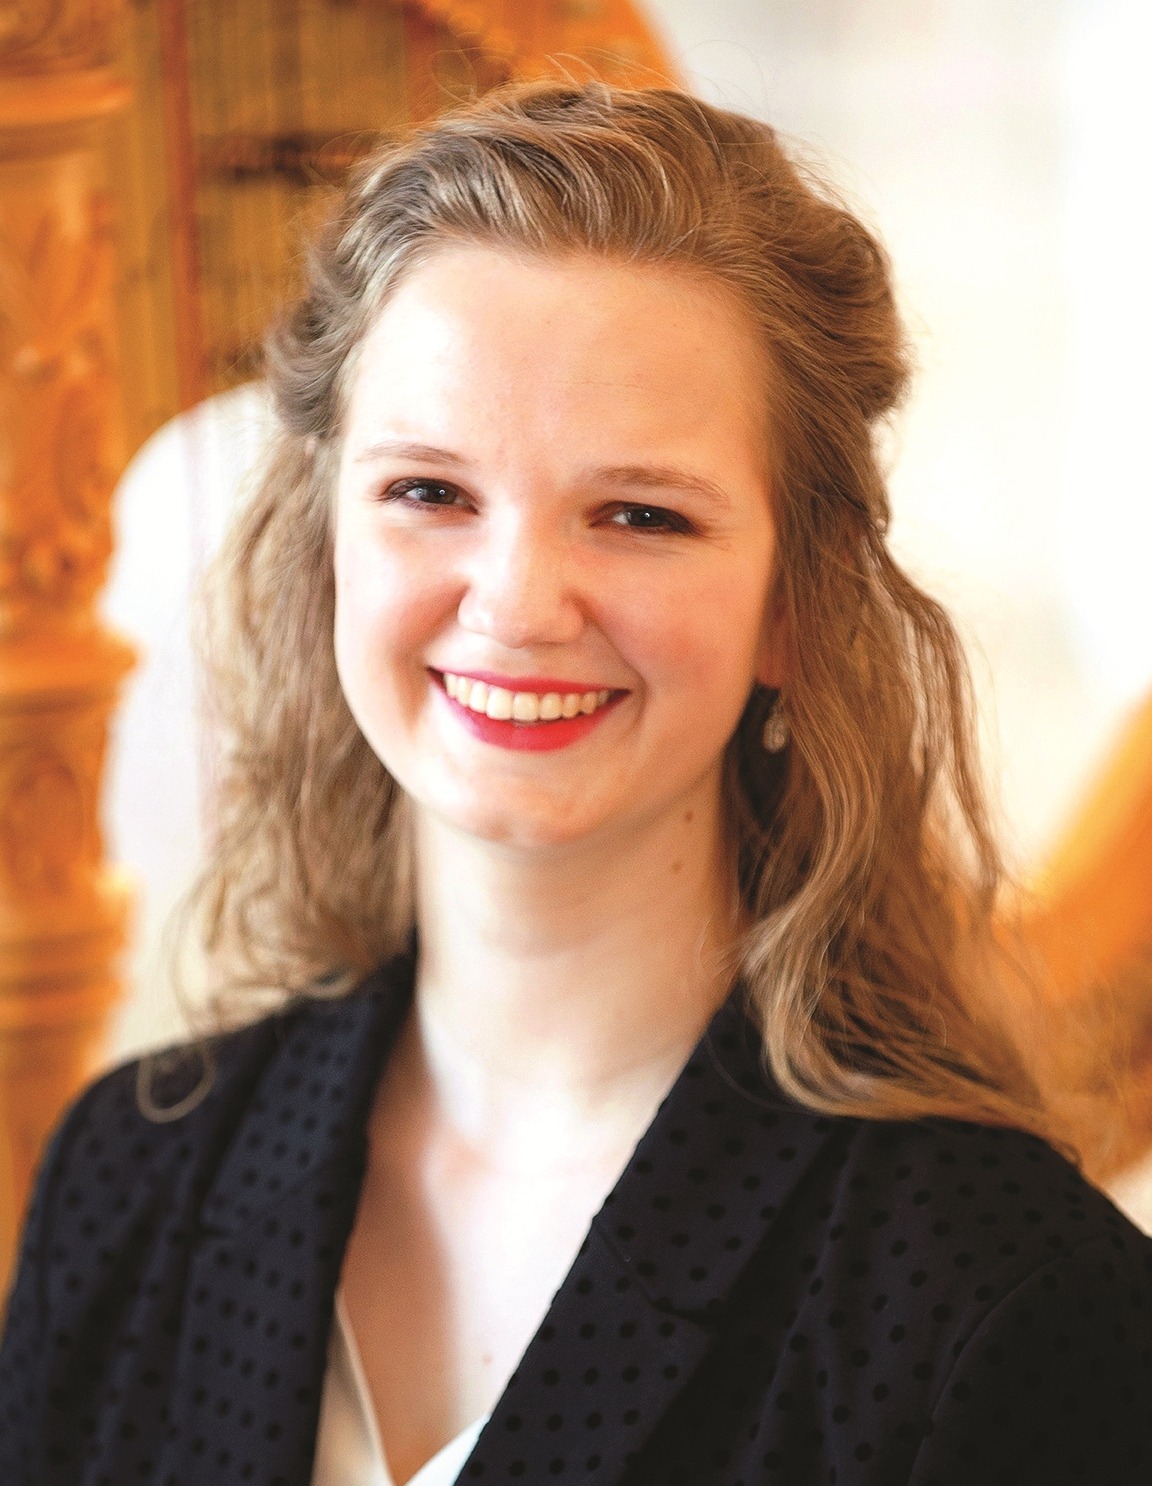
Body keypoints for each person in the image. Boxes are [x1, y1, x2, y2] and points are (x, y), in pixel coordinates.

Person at [1, 80, 1150, 1486]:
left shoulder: (1005, 1303)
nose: (520, 603)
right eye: (431, 491)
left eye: (641, 513)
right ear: (326, 548)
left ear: (797, 600)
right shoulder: (124, 1187)